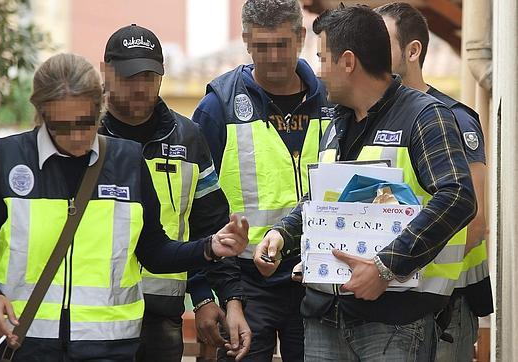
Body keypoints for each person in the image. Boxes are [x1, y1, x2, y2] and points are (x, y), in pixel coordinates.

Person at [0, 53, 249, 362]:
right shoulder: (7, 159)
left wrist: (209, 247)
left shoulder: (127, 162)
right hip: (19, 345)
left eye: (85, 123)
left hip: (106, 349)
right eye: (61, 125)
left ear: (99, 110)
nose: (76, 137)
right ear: (42, 114)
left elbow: (154, 251)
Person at [254, 5, 477, 361]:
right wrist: (282, 234)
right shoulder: (335, 123)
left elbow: (458, 197)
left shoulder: (425, 117)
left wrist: (386, 267)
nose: (318, 71)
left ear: (347, 62)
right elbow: (321, 200)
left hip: (394, 324)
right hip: (324, 316)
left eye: (321, 58)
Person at [98, 24, 251, 361]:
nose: (141, 87)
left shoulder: (188, 138)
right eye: (129, 76)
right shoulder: (86, 138)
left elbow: (209, 228)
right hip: (92, 320)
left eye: (149, 77)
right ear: (105, 73)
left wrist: (222, 299)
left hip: (161, 319)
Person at [192, 0, 331, 360]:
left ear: (301, 37)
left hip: (318, 274)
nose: (271, 57)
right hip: (244, 281)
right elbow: (195, 209)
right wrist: (209, 292)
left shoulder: (334, 101)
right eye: (261, 46)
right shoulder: (217, 107)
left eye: (281, 44)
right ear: (246, 41)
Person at [375, 3, 494, 361]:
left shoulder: (456, 119)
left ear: (413, 51)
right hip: (391, 301)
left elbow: (474, 223)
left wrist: (392, 267)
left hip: (447, 306)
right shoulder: (372, 118)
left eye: (382, 44)